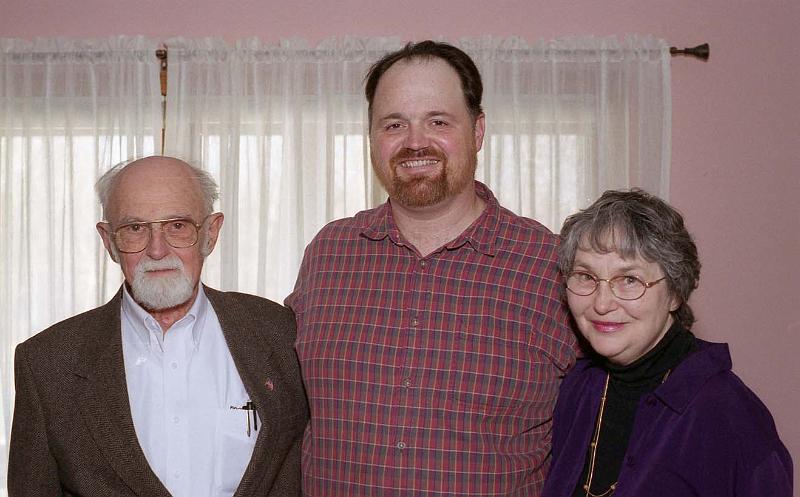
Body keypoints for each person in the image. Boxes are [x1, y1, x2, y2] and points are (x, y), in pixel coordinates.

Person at [285, 41, 577, 496]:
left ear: (477, 131)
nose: (415, 141)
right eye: (394, 124)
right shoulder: (328, 253)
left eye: (438, 121)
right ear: (371, 137)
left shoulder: (550, 265)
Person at [8, 156, 308, 497]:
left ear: (211, 233)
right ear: (108, 242)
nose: (157, 249)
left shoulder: (282, 335)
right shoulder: (48, 364)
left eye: (178, 225)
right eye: (135, 228)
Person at [542, 189, 793, 497]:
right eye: (585, 276)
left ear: (675, 292)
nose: (602, 303)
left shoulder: (732, 417)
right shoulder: (578, 388)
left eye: (629, 279)